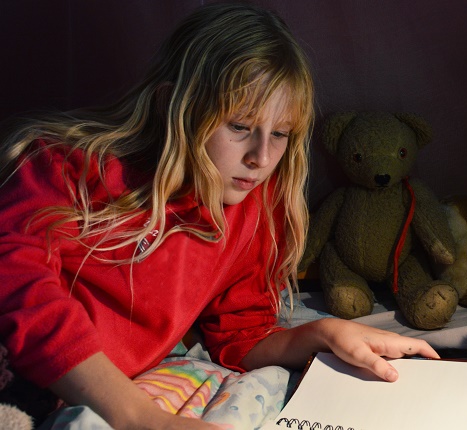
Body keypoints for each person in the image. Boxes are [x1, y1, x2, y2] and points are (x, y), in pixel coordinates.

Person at [0, 3, 438, 429]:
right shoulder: (63, 167)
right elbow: (20, 291)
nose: (262, 157)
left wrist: (323, 332)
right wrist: (140, 417)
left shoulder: (252, 206)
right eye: (240, 127)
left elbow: (240, 337)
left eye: (281, 134)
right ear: (173, 106)